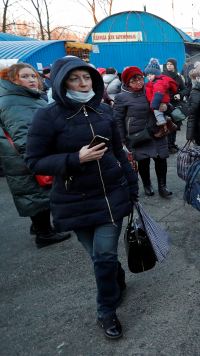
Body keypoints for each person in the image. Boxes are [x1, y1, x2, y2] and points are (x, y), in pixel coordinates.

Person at [25, 56, 139, 339]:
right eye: (74, 78)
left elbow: (117, 151)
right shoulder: (47, 116)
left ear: (94, 81)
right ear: (62, 82)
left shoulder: (104, 111)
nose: (82, 83)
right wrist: (75, 158)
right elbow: (34, 162)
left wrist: (133, 186)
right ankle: (116, 278)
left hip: (111, 194)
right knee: (99, 257)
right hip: (73, 198)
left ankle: (106, 311)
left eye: (86, 78)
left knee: (104, 254)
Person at [0, 63, 71, 247]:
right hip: (26, 157)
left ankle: (40, 227)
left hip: (23, 156)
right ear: (13, 79)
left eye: (33, 76)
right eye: (25, 76)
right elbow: (23, 135)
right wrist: (39, 158)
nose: (32, 80)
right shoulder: (15, 101)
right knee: (36, 193)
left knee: (35, 192)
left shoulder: (23, 97)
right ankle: (44, 233)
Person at [114, 66, 172, 198]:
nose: (139, 82)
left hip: (157, 131)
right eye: (134, 80)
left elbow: (169, 103)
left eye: (140, 78)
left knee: (161, 158)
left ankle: (163, 187)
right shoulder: (121, 97)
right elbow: (118, 120)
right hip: (138, 134)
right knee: (143, 161)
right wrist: (122, 139)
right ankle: (147, 185)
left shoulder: (152, 88)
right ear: (127, 82)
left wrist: (166, 106)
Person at [144, 58, 178, 137]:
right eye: (147, 75)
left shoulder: (157, 82)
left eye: (151, 75)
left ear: (156, 74)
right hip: (159, 101)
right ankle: (169, 123)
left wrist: (154, 106)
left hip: (158, 102)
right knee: (161, 114)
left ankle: (163, 129)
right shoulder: (153, 82)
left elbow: (158, 94)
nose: (149, 77)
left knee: (158, 114)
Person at [163, 58, 189, 154]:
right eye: (167, 64)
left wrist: (180, 94)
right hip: (165, 105)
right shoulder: (162, 76)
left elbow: (185, 89)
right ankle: (167, 145)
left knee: (174, 126)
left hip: (175, 105)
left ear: (174, 65)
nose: (169, 66)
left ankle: (172, 144)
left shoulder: (177, 77)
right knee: (166, 126)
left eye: (171, 64)